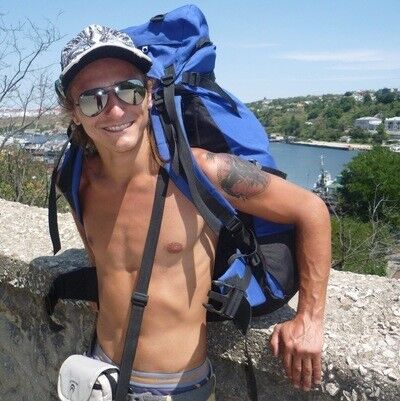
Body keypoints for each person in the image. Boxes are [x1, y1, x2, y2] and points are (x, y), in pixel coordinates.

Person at [56, 24, 331, 400]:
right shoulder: (76, 180)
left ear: (149, 93)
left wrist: (310, 319)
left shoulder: (202, 172)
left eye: (129, 90)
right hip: (98, 374)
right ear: (73, 112)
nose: (115, 109)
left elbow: (311, 209)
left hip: (178, 388)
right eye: (92, 99)